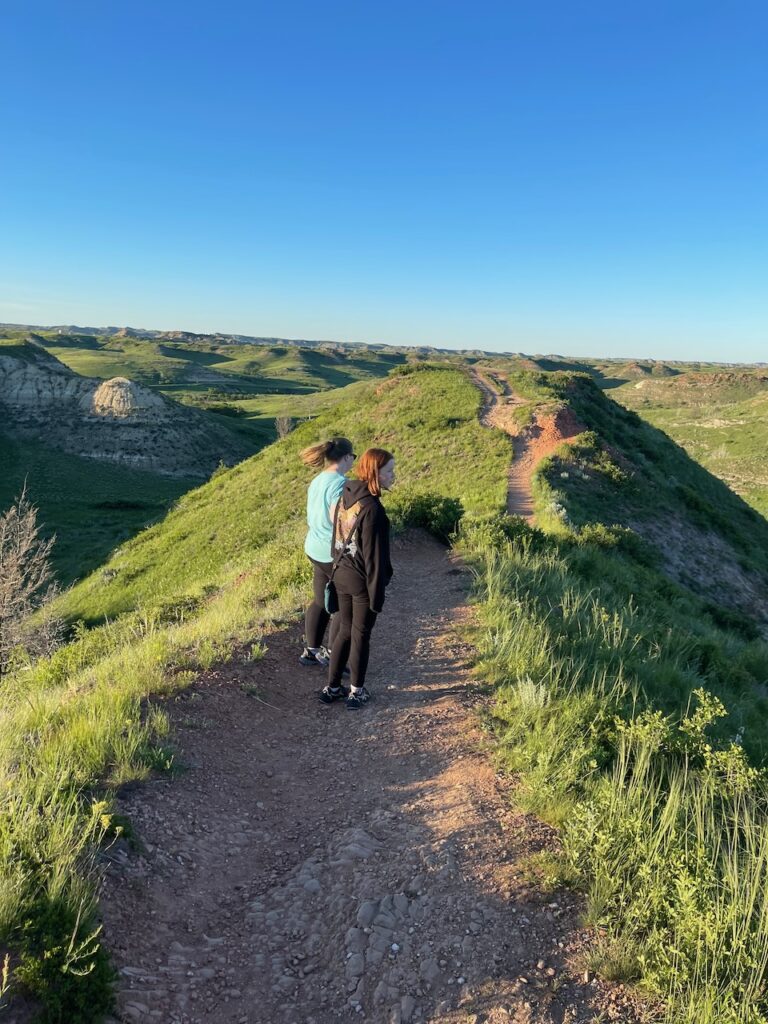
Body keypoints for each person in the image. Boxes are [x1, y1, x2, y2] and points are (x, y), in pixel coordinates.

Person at [321, 448, 395, 709]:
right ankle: (356, 691)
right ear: (375, 473)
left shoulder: (347, 494)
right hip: (362, 579)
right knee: (361, 634)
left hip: (341, 571)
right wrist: (377, 596)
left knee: (343, 630)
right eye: (389, 471)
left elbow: (336, 534)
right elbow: (374, 559)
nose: (393, 476)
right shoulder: (372, 509)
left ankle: (332, 687)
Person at [299, 437, 356, 666]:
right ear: (346, 457)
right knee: (345, 604)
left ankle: (311, 651)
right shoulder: (341, 483)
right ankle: (333, 656)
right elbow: (339, 518)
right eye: (353, 456)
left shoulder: (318, 479)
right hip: (332, 552)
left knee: (320, 599)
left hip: (314, 546)